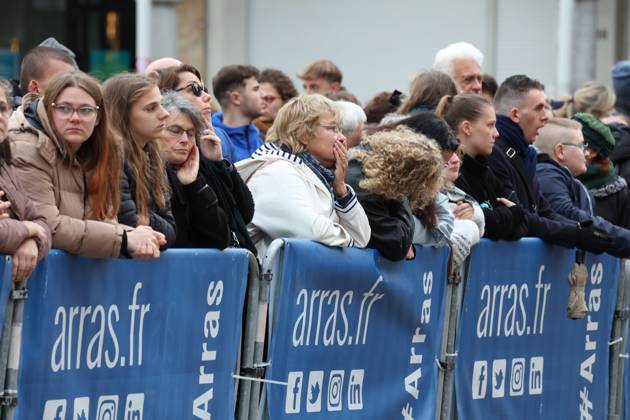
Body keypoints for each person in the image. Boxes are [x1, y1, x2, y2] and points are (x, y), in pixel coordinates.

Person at [9, 71, 164, 258]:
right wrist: (124, 238)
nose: (75, 117)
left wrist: (137, 235)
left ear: (98, 117)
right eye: (64, 108)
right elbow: (48, 225)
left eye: (85, 110)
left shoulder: (103, 148)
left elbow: (104, 220)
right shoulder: (26, 146)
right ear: (49, 111)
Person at [489, 75, 613, 253]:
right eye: (539, 108)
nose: (546, 116)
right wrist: (577, 234)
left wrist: (584, 230)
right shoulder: (496, 153)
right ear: (515, 114)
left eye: (546, 107)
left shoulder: (527, 156)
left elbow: (544, 211)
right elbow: (522, 218)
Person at [236, 94, 371, 257]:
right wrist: (349, 243)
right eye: (332, 128)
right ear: (303, 134)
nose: (342, 138)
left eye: (340, 130)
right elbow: (313, 232)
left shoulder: (318, 173)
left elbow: (362, 237)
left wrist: (341, 188)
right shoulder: (276, 171)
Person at [155, 66, 257, 254]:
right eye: (194, 89)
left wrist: (219, 164)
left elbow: (244, 212)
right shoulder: (160, 165)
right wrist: (194, 187)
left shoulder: (204, 147)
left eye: (190, 133)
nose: (206, 96)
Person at [398, 112, 485, 270]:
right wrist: (406, 236)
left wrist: (476, 212)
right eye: (441, 163)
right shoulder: (394, 180)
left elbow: (445, 223)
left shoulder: (430, 186)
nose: (455, 161)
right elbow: (397, 228)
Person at [534, 117, 630, 257]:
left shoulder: (568, 179)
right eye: (581, 146)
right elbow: (569, 214)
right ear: (560, 151)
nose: (586, 153)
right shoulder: (547, 175)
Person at [346, 126, 444, 261]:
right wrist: (402, 194)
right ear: (411, 178)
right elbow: (398, 245)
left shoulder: (368, 170)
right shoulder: (365, 188)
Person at [103, 73, 176, 247]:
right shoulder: (112, 156)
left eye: (162, 105)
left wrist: (145, 217)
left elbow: (171, 232)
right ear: (122, 114)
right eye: (151, 108)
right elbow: (129, 221)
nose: (164, 114)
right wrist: (143, 220)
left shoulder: (154, 155)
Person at [158, 91, 230, 248]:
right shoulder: (144, 172)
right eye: (175, 131)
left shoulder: (191, 173)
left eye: (190, 134)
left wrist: (194, 185)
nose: (184, 140)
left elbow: (220, 238)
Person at [0, 79, 51, 282]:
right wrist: (27, 229)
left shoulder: (5, 165)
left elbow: (43, 222)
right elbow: (34, 224)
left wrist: (32, 241)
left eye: (2, 108)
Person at [153, 63, 235, 163]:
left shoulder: (221, 137)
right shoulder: (154, 139)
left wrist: (219, 164)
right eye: (195, 89)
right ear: (169, 96)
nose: (208, 97)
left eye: (204, 89)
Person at [572, 112, 630, 229]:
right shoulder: (556, 174)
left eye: (572, 142)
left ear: (591, 152)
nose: (560, 147)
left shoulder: (616, 190)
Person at [212, 65, 264, 162]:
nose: (263, 95)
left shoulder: (261, 140)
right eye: (256, 89)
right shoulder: (210, 142)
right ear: (236, 98)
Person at [254, 68, 298, 138]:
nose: (261, 103)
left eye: (268, 99)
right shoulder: (247, 132)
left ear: (286, 101)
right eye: (257, 98)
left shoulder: (298, 132)